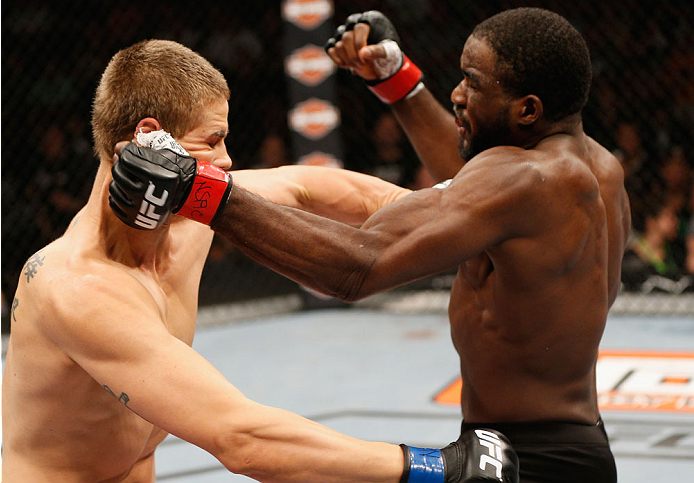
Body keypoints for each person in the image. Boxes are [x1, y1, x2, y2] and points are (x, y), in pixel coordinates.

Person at [109, 8, 630, 483]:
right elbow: (477, 180)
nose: (457, 94)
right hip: (576, 444)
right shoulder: (598, 170)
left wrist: (200, 192)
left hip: (526, 461)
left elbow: (358, 267)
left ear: (527, 110)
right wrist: (398, 83)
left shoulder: (523, 179)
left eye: (473, 82)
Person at [1, 39, 520, 482]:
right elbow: (243, 439)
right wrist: (435, 466)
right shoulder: (77, 288)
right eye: (214, 140)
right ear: (149, 138)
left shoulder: (187, 218)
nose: (226, 161)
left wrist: (453, 215)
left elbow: (311, 185)